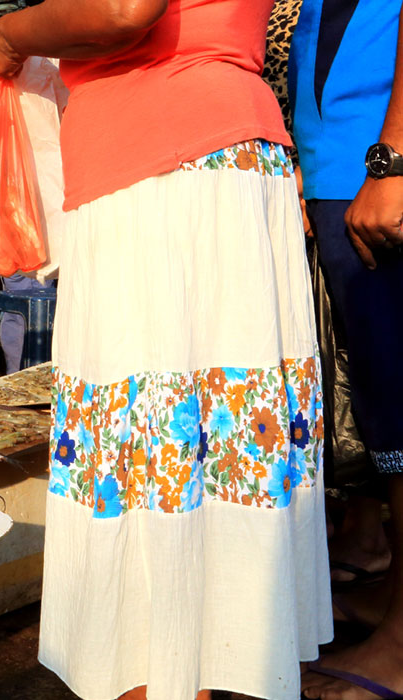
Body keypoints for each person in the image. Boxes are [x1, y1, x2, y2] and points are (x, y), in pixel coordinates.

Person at [0, 1, 330, 699]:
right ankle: (210, 666)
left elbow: (119, 10)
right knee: (215, 428)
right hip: (220, 149)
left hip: (160, 166)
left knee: (157, 426)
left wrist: (10, 33)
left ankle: (165, 677)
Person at [291, 0, 403, 697]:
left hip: (376, 161)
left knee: (399, 412)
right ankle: (394, 596)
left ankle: (402, 644)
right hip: (341, 166)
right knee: (382, 406)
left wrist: (392, 158)